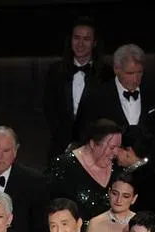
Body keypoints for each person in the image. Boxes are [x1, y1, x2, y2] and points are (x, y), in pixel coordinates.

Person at [75, 43, 155, 177]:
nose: (135, 79)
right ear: (116, 69)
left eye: (139, 73)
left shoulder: (153, 93)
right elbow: (85, 136)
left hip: (146, 172)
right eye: (130, 73)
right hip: (108, 173)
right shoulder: (97, 97)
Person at [43, 16, 113, 156]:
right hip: (60, 148)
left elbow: (107, 113)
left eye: (86, 39)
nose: (80, 43)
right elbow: (49, 110)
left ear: (94, 43)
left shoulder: (107, 74)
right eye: (76, 38)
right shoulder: (55, 71)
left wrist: (90, 144)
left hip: (95, 149)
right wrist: (66, 143)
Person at [45, 118, 122, 224]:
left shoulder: (118, 168)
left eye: (119, 147)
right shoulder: (64, 166)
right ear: (93, 143)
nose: (116, 152)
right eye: (112, 147)